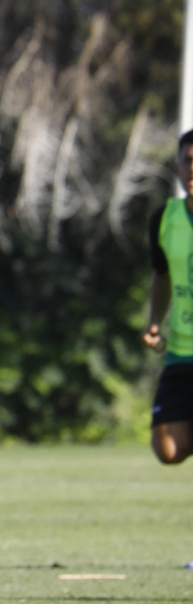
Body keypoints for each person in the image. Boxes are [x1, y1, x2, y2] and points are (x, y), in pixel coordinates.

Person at [143, 129, 193, 468]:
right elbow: (162, 276)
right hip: (181, 351)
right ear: (177, 167)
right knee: (168, 450)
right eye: (188, 161)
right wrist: (154, 322)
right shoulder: (164, 219)